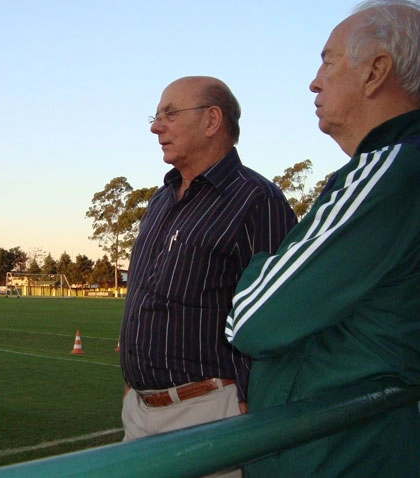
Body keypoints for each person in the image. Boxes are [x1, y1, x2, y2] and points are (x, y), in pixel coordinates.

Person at [226, 1, 420, 475]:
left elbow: (251, 319)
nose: (314, 80)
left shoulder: (389, 171)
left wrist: (260, 265)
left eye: (328, 60)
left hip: (340, 457)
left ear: (376, 72)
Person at [119, 76, 296, 475]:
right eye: (155, 115)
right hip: (140, 412)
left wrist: (251, 400)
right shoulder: (161, 199)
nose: (155, 126)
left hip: (210, 413)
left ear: (212, 120)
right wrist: (134, 385)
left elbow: (277, 313)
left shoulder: (257, 199)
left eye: (169, 114)